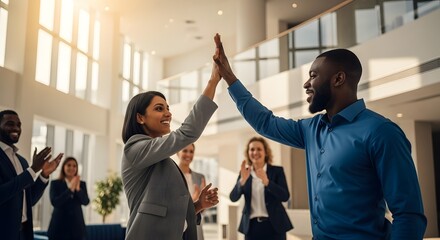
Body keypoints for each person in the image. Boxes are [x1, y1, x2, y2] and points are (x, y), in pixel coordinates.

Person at [212, 34, 427, 239]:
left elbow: (408, 214)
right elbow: (265, 122)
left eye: (313, 76)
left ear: (338, 79)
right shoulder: (311, 129)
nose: (306, 84)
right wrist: (230, 78)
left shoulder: (381, 132)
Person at [121, 61, 221, 240]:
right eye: (159, 109)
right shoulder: (134, 148)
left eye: (168, 108)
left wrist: (198, 205)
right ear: (140, 118)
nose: (168, 113)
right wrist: (213, 81)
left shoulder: (161, 159)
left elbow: (168, 210)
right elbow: (186, 133)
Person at [0, 109, 63, 240]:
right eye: (10, 124)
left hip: (23, 233)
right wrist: (33, 169)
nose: (16, 128)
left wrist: (44, 174)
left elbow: (29, 199)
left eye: (18, 125)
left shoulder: (22, 161)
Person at [230, 136, 293, 240]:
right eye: (252, 149)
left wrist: (267, 182)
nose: (255, 152)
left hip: (274, 226)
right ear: (248, 153)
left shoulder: (277, 171)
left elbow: (285, 196)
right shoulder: (245, 173)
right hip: (251, 227)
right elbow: (233, 198)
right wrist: (242, 181)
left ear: (266, 152)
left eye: (259, 149)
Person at [47, 157, 90, 240]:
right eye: (69, 165)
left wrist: (78, 189)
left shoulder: (82, 184)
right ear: (64, 167)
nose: (72, 168)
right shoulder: (55, 183)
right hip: (59, 227)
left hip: (77, 229)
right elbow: (55, 202)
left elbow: (86, 202)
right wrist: (70, 190)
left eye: (74, 166)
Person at [177, 143, 207, 240]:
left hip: (195, 225)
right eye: (185, 151)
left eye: (191, 151)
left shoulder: (200, 177)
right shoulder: (171, 176)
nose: (188, 154)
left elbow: (202, 209)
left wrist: (204, 201)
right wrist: (193, 200)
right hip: (177, 225)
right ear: (177, 152)